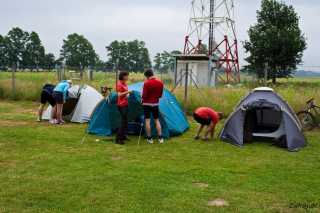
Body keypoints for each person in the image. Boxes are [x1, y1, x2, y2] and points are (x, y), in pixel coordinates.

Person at [142, 68, 164, 143]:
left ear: (147, 76)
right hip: (155, 104)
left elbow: (144, 96)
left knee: (147, 121)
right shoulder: (160, 83)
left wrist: (142, 95)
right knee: (157, 121)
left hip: (146, 104)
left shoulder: (146, 84)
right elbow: (160, 95)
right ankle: (160, 137)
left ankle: (149, 138)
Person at [115, 71, 133, 145]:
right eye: (126, 76)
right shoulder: (119, 84)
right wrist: (128, 92)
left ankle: (122, 136)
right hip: (121, 105)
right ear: (122, 76)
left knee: (123, 120)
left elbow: (125, 92)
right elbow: (119, 94)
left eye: (127, 76)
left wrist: (128, 94)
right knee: (125, 121)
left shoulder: (125, 84)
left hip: (126, 104)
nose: (127, 77)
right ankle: (118, 138)